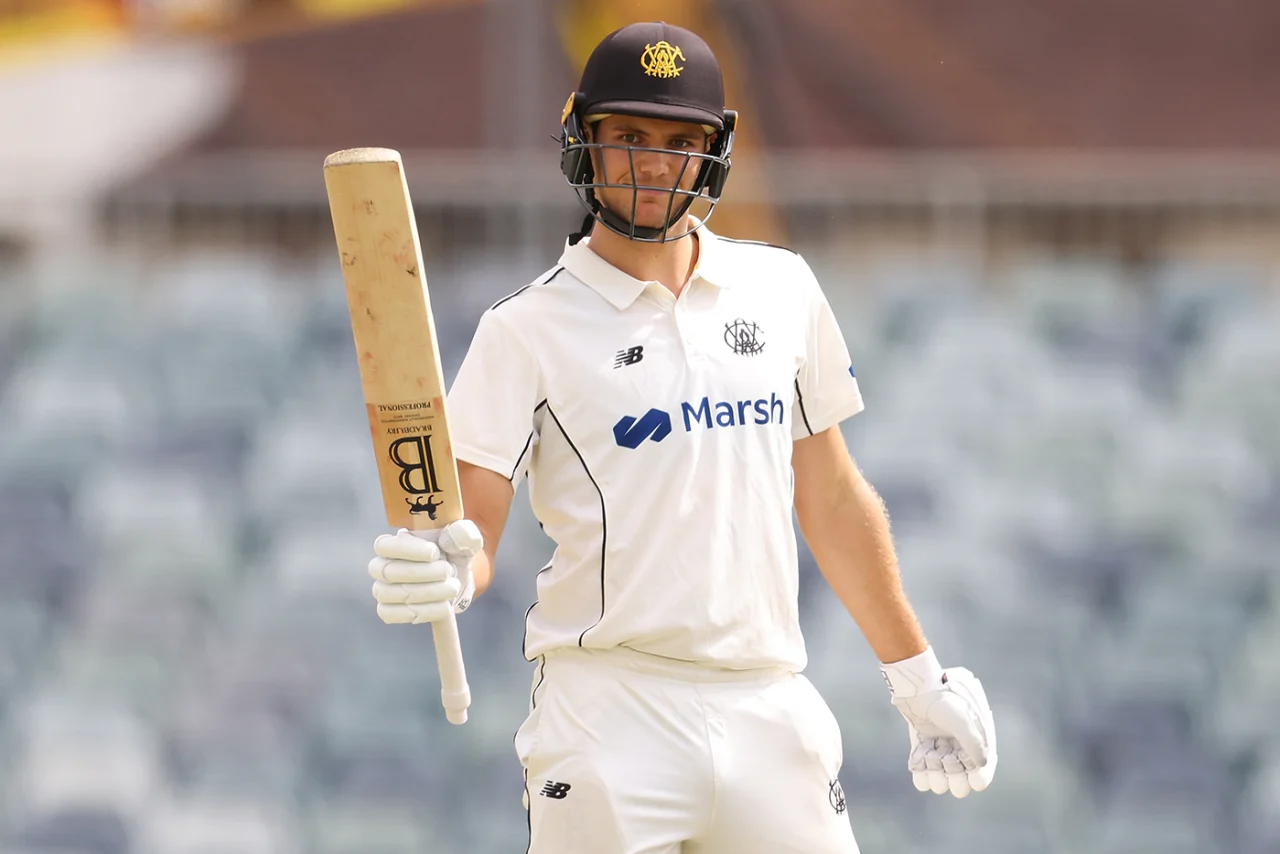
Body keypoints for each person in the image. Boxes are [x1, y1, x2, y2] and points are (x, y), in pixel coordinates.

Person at [364, 20, 997, 854]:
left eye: (679, 140)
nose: (655, 163)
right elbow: (474, 520)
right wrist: (448, 565)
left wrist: (917, 679)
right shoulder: (526, 330)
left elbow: (834, 497)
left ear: (716, 152)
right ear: (580, 139)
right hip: (606, 714)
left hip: (768, 700)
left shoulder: (782, 290)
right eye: (628, 137)